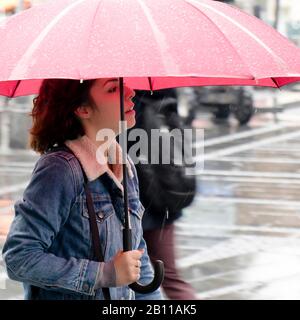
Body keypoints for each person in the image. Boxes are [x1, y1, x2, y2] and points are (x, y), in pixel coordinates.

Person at [2, 78, 162, 300]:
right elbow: (19, 259)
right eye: (113, 88)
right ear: (82, 109)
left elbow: (137, 257)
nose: (131, 92)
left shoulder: (123, 165)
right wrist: (104, 274)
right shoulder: (60, 170)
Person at [128, 89, 198, 300]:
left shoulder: (132, 103)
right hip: (164, 195)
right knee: (170, 276)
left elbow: (128, 149)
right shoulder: (165, 96)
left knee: (129, 277)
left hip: (135, 202)